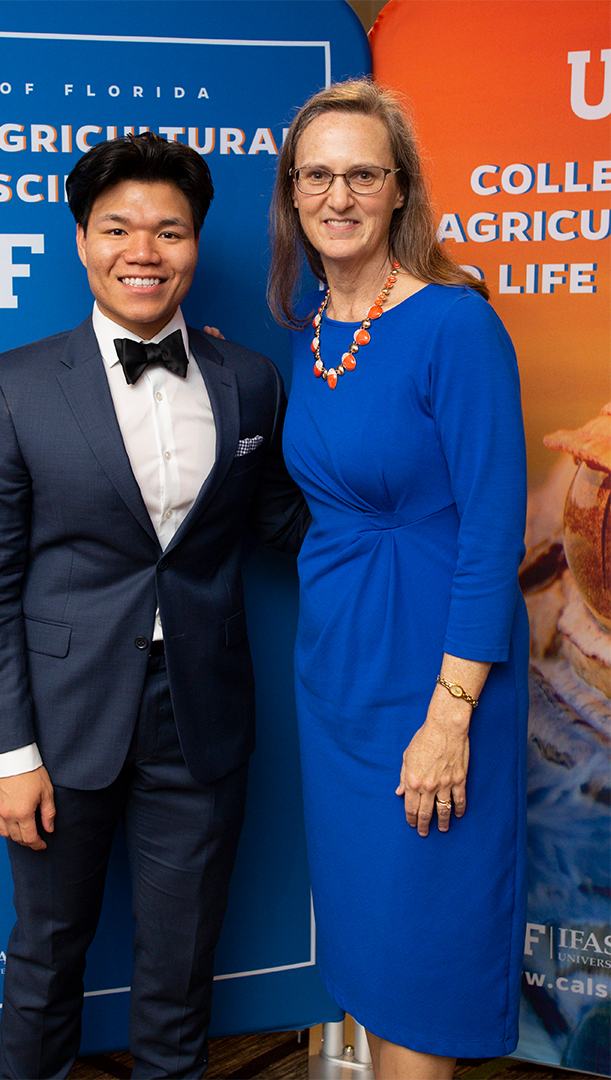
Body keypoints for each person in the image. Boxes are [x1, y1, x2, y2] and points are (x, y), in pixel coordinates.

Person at [0, 132, 308, 1080]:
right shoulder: (13, 386)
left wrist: (417, 532)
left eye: (170, 231)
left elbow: (290, 524)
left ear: (196, 244)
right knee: (45, 957)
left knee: (183, 967)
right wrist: (9, 753)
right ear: (82, 241)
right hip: (60, 727)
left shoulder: (250, 382)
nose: (144, 251)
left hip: (202, 717)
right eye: (119, 228)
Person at [269, 79, 529, 1080]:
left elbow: (490, 537)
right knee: (370, 954)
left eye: (362, 174)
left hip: (435, 686)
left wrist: (449, 718)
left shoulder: (456, 327)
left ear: (400, 191)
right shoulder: (310, 331)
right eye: (318, 174)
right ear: (292, 195)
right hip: (337, 680)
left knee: (423, 962)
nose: (339, 194)